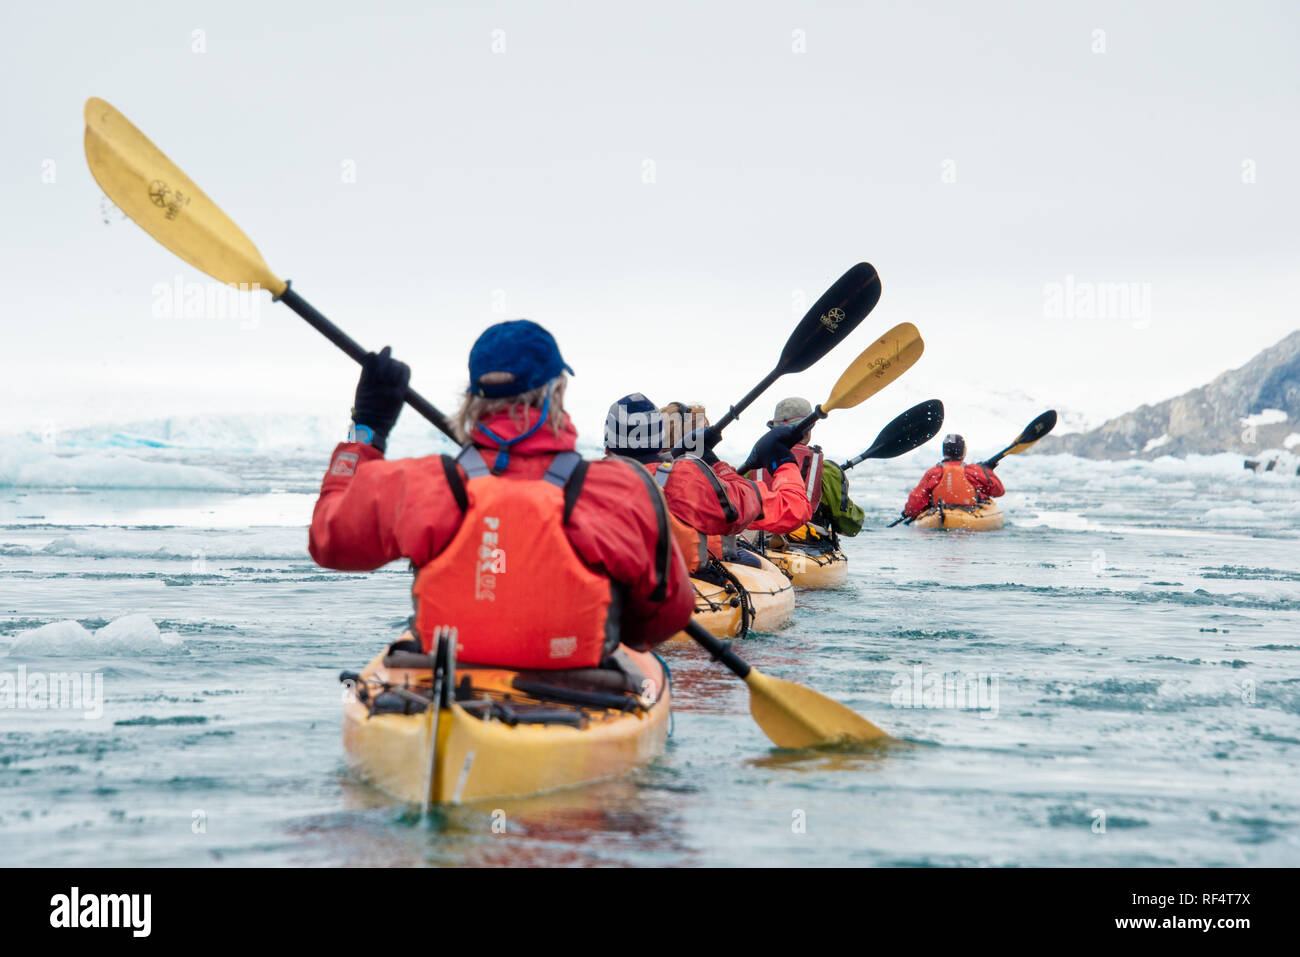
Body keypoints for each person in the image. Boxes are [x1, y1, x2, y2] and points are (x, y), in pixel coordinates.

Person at [309, 321, 694, 670]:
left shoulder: (423, 483)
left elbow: (330, 541)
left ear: (473, 399)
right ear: (557, 391)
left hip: (446, 691)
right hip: (583, 690)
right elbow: (666, 617)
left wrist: (368, 428)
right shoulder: (619, 490)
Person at [605, 394, 761, 570]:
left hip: (613, 578)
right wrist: (714, 462)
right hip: (685, 577)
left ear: (607, 446)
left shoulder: (586, 479)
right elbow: (746, 507)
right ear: (658, 440)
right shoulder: (686, 477)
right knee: (754, 562)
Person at [659, 400, 814, 538]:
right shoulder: (707, 493)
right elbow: (795, 509)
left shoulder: (643, 474)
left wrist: (716, 466)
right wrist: (783, 461)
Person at [757, 397, 865, 548]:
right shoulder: (828, 472)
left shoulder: (753, 466)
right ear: (807, 433)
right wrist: (858, 514)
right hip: (806, 549)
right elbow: (850, 526)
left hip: (760, 548)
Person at [902, 433, 1005, 519]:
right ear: (964, 451)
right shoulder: (973, 471)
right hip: (969, 515)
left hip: (939, 515)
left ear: (944, 452)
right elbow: (998, 491)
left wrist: (909, 513)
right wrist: (988, 471)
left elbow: (915, 503)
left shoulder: (934, 472)